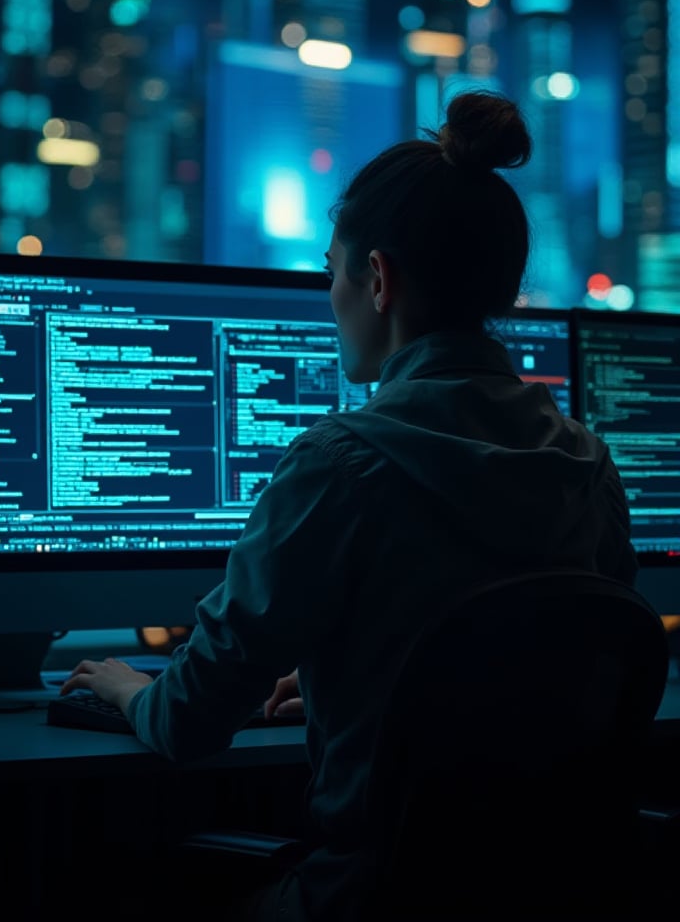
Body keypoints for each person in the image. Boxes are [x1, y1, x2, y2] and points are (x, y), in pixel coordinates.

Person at [60, 89, 636, 920]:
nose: (328, 296)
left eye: (330, 272)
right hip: (557, 893)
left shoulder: (342, 463)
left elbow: (188, 722)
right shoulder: (586, 461)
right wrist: (364, 685)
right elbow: (565, 670)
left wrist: (122, 687)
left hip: (370, 899)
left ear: (376, 278)